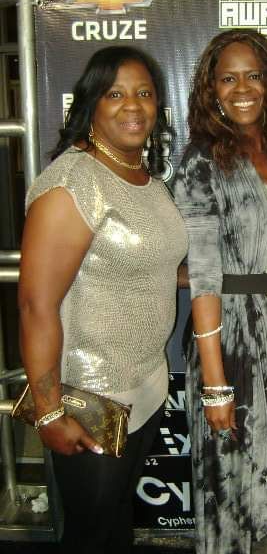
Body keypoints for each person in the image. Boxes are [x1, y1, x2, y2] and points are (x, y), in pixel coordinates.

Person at [18, 46, 187, 554]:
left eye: (144, 93)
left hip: (146, 387)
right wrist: (48, 412)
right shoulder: (73, 184)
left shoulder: (144, 178)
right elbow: (35, 305)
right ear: (91, 104)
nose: (132, 105)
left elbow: (150, 266)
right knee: (91, 537)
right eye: (115, 94)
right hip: (91, 400)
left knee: (115, 527)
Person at [173, 29, 267, 554]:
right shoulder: (203, 161)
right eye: (228, 78)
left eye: (253, 75)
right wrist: (215, 384)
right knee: (230, 486)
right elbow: (205, 277)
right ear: (211, 90)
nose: (243, 88)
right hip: (232, 342)